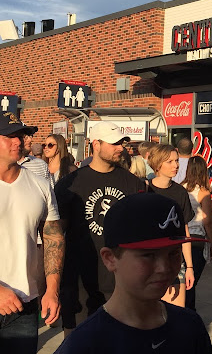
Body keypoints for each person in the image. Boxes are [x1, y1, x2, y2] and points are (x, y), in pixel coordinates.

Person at [31, 192, 212, 354]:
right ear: (110, 259)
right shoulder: (82, 351)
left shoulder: (190, 328)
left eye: (173, 253)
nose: (164, 268)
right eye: (148, 255)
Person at [55, 121, 145, 337]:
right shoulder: (70, 184)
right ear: (96, 144)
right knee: (75, 344)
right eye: (114, 144)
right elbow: (57, 234)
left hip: (120, 278)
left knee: (120, 343)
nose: (120, 148)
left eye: (121, 143)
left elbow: (141, 232)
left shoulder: (134, 184)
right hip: (79, 279)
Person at [0, 111, 65, 354]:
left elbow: (53, 236)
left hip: (25, 308)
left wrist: (52, 289)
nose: (19, 141)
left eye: (21, 135)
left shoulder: (39, 184)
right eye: (11, 136)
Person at [147, 144, 195, 307]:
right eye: (170, 161)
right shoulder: (145, 189)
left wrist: (189, 266)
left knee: (175, 316)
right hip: (148, 262)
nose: (176, 165)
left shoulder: (180, 192)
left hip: (174, 261)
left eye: (176, 161)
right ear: (158, 164)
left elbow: (184, 231)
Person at [182, 156, 212, 311]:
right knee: (192, 282)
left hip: (181, 238)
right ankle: (189, 313)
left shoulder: (179, 188)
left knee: (183, 279)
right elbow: (207, 221)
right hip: (197, 239)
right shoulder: (203, 192)